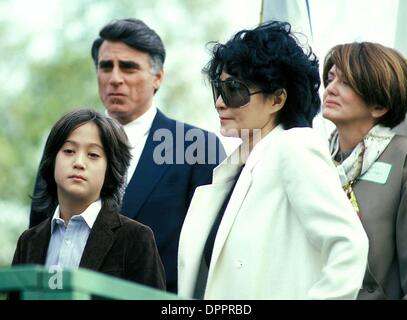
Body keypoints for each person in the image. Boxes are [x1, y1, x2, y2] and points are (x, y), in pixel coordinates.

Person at [29, 19, 225, 293]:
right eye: (106, 66)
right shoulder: (66, 143)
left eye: (129, 67)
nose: (115, 78)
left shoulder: (193, 146)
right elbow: (37, 237)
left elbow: (213, 251)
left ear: (158, 77)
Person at [177, 21, 369, 299]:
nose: (220, 102)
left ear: (277, 99)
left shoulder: (294, 147)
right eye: (218, 89)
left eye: (234, 90)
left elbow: (349, 246)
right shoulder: (237, 167)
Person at [13, 109, 166, 289]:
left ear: (110, 169)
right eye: (69, 150)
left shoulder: (135, 238)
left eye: (93, 155)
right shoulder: (28, 241)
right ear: (52, 160)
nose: (79, 162)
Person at [321, 42, 407, 299]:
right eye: (330, 79)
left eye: (346, 83)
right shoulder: (315, 159)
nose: (330, 89)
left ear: (379, 106)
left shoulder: (406, 159)